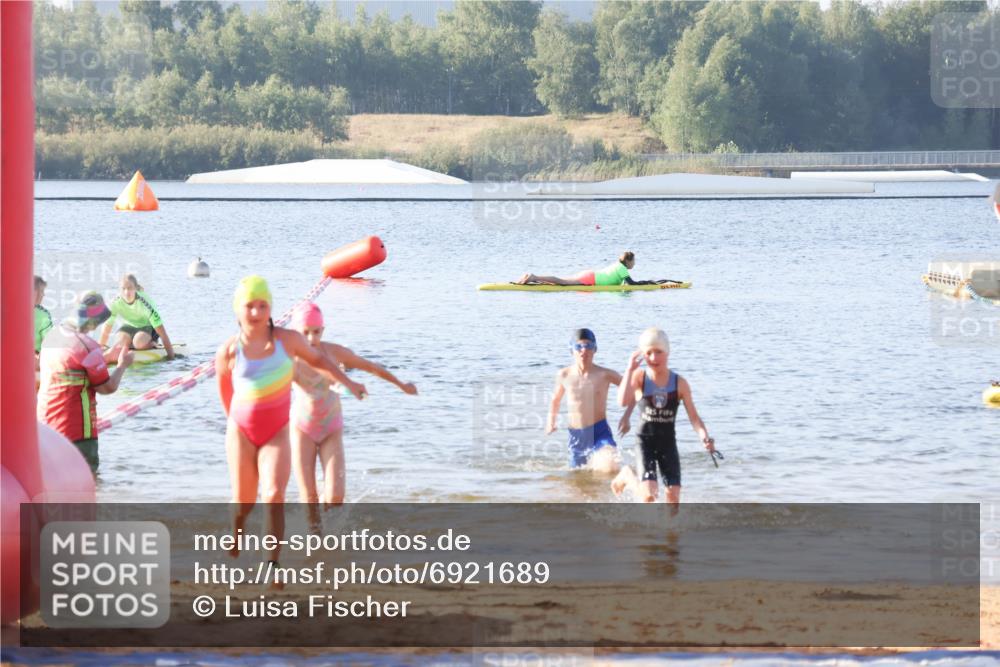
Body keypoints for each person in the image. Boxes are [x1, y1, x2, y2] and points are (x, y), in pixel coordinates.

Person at [215, 276, 367, 572]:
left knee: (289, 495)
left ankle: (277, 563)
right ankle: (246, 536)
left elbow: (334, 363)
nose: (257, 313)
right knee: (253, 500)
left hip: (300, 430)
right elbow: (227, 388)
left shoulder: (308, 346)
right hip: (266, 430)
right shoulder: (242, 351)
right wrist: (236, 423)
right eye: (250, 306)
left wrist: (348, 381)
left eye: (263, 306)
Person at [289, 302, 417, 523]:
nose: (311, 338)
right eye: (305, 333)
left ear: (323, 330)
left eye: (316, 332)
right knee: (309, 498)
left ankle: (331, 544)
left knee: (336, 497)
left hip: (330, 428)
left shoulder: (334, 352)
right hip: (302, 429)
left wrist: (401, 385)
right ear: (295, 335)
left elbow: (370, 366)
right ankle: (314, 541)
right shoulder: (289, 361)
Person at [611, 328, 715, 508]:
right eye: (648, 353)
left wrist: (704, 437)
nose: (653, 358)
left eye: (658, 352)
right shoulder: (639, 377)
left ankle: (670, 535)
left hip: (668, 442)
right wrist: (629, 370)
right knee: (649, 497)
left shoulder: (679, 383)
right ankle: (628, 475)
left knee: (673, 500)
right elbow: (622, 401)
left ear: (667, 352)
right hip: (645, 441)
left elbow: (694, 418)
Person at [37, 292, 134, 473]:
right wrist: (122, 365)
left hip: (46, 428)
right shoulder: (88, 346)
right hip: (77, 433)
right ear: (93, 320)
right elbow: (108, 387)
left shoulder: (51, 337)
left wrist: (104, 358)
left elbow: (69, 367)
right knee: (88, 485)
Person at [546, 328, 632, 473]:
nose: (583, 351)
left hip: (600, 431)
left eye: (588, 346)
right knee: (578, 479)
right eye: (579, 346)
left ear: (595, 349)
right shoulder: (564, 374)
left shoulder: (605, 374)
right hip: (577, 435)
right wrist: (550, 422)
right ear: (572, 350)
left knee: (610, 466)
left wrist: (627, 416)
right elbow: (555, 400)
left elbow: (632, 391)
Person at [100, 274, 176, 360]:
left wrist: (171, 357)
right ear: (119, 289)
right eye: (123, 289)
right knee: (119, 343)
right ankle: (131, 344)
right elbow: (107, 327)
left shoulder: (145, 303)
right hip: (129, 326)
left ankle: (152, 343)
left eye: (130, 288)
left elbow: (162, 333)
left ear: (135, 288)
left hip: (148, 327)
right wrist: (99, 351)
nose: (126, 292)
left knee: (138, 343)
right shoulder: (115, 303)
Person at [517, 251, 636, 287]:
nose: (634, 264)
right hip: (590, 279)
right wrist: (648, 283)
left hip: (590, 275)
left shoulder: (618, 265)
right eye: (634, 261)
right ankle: (534, 277)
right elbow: (631, 283)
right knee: (562, 282)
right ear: (628, 261)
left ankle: (533, 279)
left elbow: (625, 283)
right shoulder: (622, 268)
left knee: (561, 281)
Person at [33, 275, 53, 356]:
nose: (43, 295)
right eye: (41, 291)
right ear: (33, 292)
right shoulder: (43, 315)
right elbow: (49, 343)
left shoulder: (8, 310)